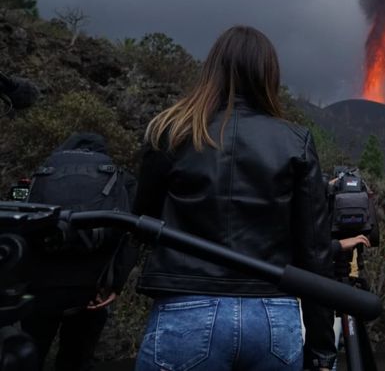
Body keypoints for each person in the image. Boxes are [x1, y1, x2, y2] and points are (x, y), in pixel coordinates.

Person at [133, 26, 336, 370]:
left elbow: (142, 222)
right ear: (268, 75)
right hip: (273, 317)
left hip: (188, 310)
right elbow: (314, 251)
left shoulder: (172, 132)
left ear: (212, 69)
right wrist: (321, 348)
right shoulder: (294, 141)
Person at [21, 132, 137, 370]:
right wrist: (115, 284)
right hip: (92, 288)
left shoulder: (41, 174)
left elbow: (21, 227)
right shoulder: (119, 178)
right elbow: (130, 234)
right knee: (76, 360)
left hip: (41, 286)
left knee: (28, 356)